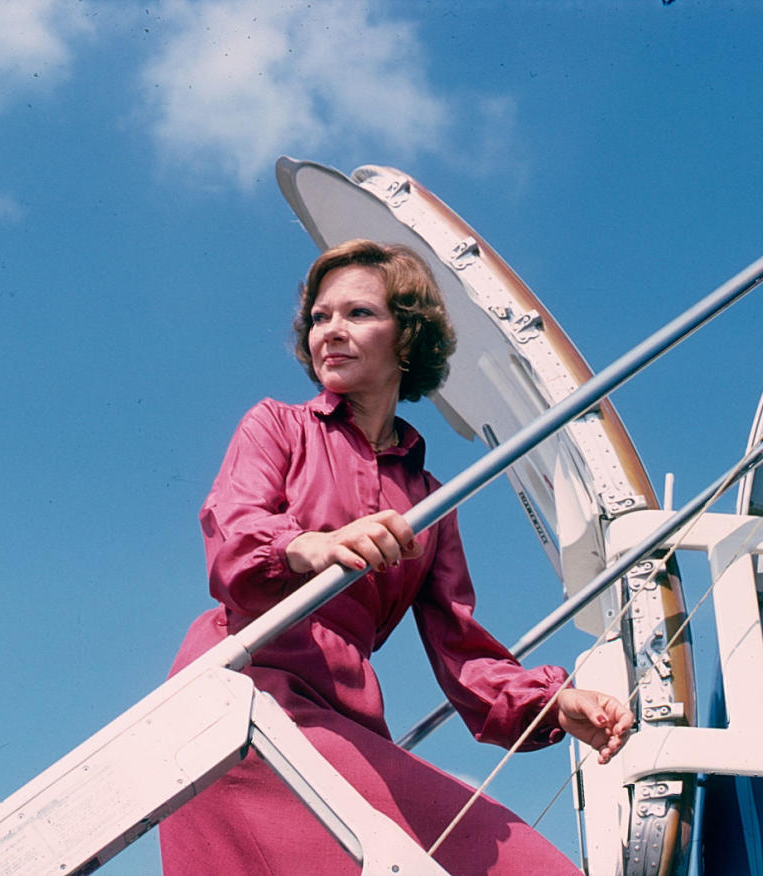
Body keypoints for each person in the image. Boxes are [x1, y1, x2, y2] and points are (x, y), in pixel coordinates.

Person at [159, 239, 633, 875]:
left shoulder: (430, 502)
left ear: (408, 339)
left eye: (357, 315)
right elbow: (233, 535)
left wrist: (555, 703)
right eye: (320, 318)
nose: (330, 331)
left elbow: (462, 651)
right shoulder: (275, 425)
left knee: (528, 865)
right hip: (246, 693)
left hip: (345, 718)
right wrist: (311, 546)